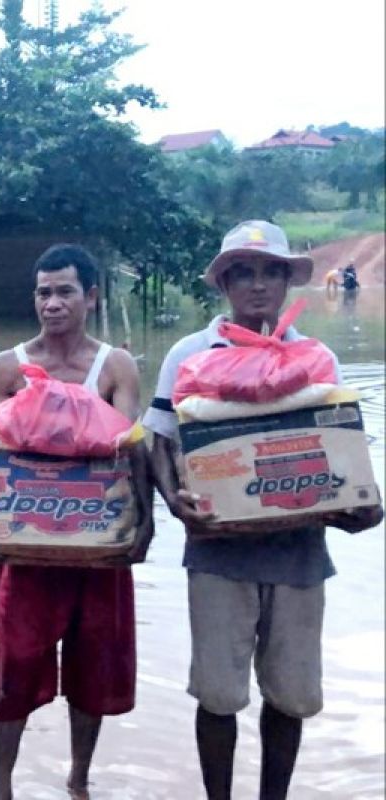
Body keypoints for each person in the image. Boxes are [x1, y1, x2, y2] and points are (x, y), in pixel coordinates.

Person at [143, 220, 384, 800]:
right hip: (218, 553)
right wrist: (175, 500)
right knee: (218, 694)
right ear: (224, 282)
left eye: (269, 272)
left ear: (285, 280)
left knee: (292, 694)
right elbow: (159, 439)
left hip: (299, 554)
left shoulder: (315, 355)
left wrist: (360, 503)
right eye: (243, 274)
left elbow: (341, 448)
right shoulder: (190, 353)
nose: (257, 286)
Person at [0, 244, 151, 800]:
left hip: (99, 550)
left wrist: (143, 524)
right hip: (28, 548)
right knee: (16, 665)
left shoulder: (113, 366)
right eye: (44, 292)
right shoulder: (9, 365)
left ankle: (78, 778)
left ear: (91, 297)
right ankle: (1, 784)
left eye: (65, 291)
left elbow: (133, 447)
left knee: (95, 666)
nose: (53, 303)